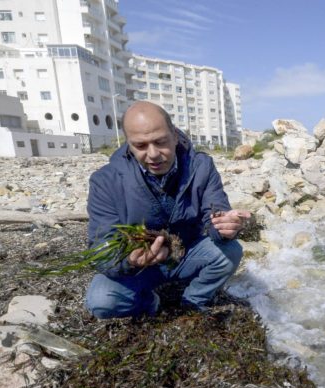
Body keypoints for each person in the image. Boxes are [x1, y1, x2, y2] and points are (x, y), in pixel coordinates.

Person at [85, 101, 249, 318]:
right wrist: (131, 260)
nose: (153, 154)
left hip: (186, 255)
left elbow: (215, 214)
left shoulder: (201, 166)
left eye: (160, 142)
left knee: (230, 252)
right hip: (140, 267)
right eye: (140, 146)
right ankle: (149, 301)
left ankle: (192, 301)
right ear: (128, 143)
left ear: (174, 134)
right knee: (102, 302)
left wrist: (226, 225)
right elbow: (100, 249)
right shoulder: (105, 181)